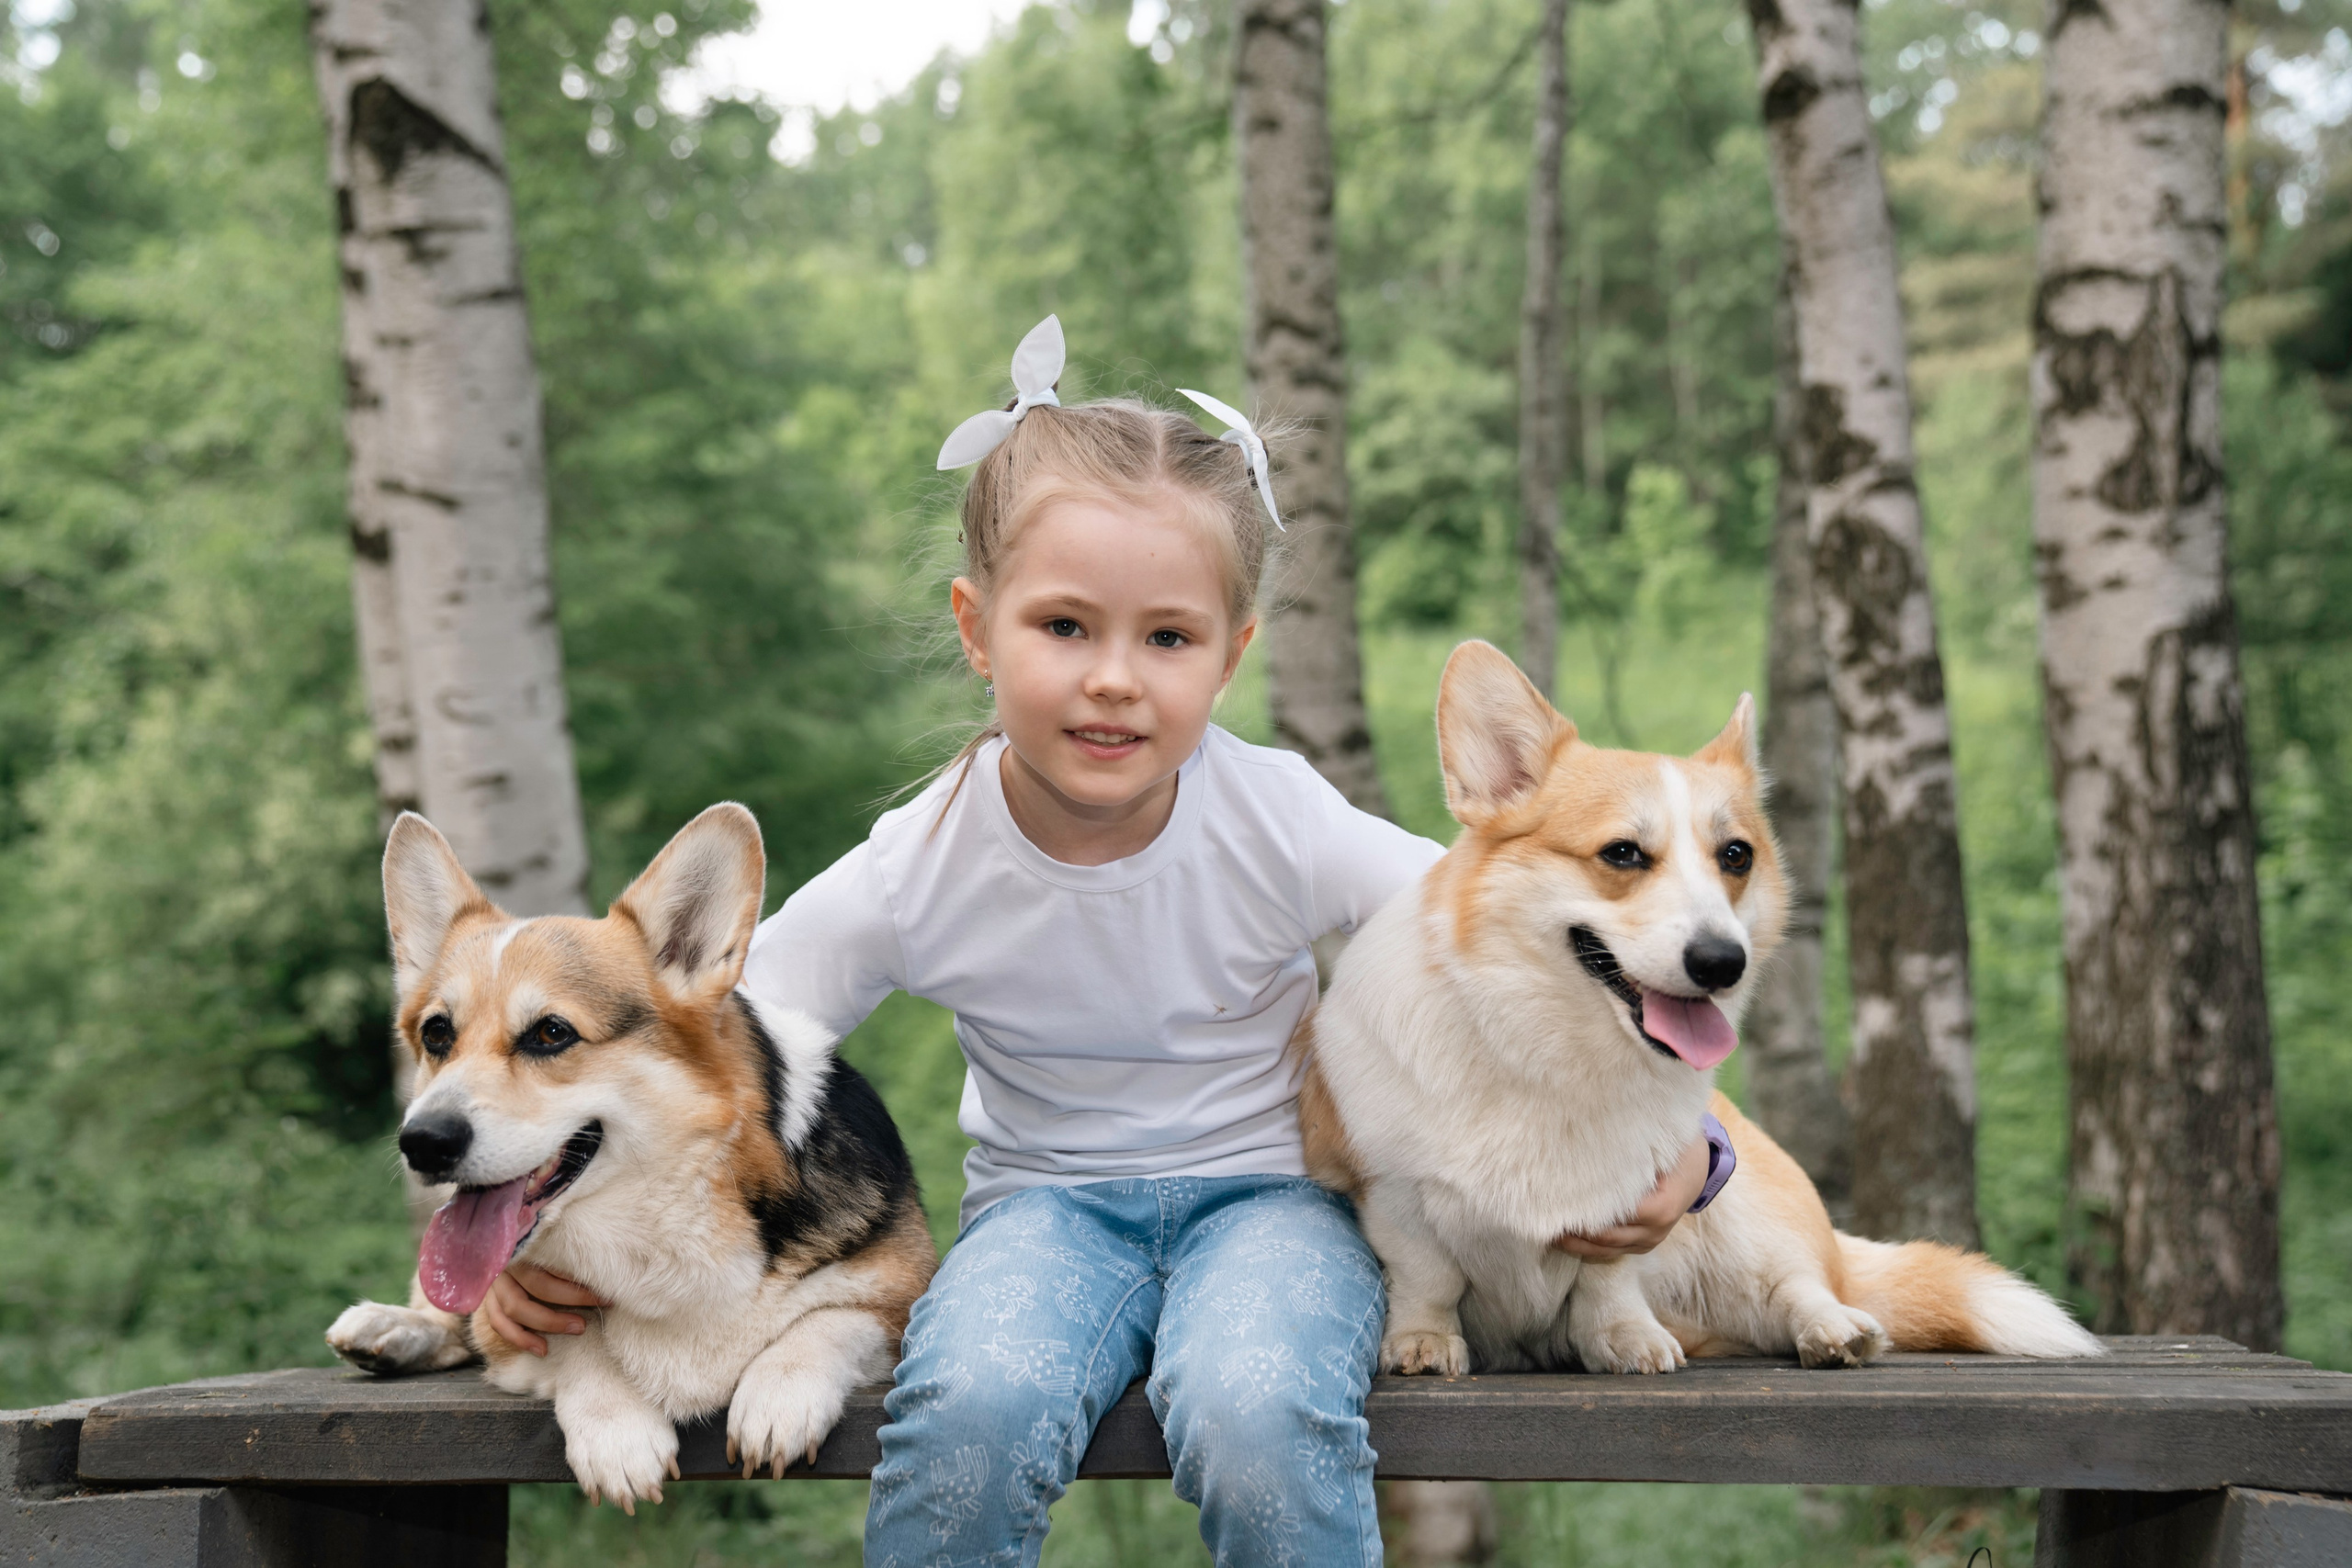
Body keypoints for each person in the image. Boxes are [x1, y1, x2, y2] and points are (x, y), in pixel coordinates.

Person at [482, 317, 1731, 1565]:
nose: (1115, 679)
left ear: (1231, 656)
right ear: (978, 628)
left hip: (1275, 1203)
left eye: (1168, 638)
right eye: (1065, 628)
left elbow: (1519, 942)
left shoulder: (1281, 818)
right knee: (969, 1409)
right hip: (1045, 1212)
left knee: (1259, 1409)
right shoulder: (921, 864)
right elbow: (702, 1049)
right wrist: (524, 1223)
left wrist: (1698, 1148)